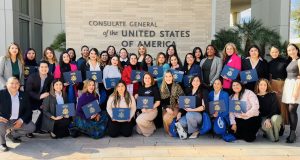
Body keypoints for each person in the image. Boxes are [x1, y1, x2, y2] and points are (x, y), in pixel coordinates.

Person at [0, 77, 35, 152]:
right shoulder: (1, 94)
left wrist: (21, 120)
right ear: (7, 84)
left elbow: (29, 110)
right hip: (4, 120)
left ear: (19, 85)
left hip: (17, 120)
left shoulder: (24, 95)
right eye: (12, 83)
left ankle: (12, 135)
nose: (14, 85)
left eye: (16, 83)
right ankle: (2, 143)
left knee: (32, 127)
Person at [25, 61, 54, 135]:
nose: (44, 69)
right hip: (30, 99)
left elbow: (49, 91)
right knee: (30, 113)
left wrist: (44, 102)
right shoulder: (32, 76)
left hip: (42, 100)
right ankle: (29, 131)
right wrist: (39, 96)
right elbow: (28, 91)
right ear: (38, 68)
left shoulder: (50, 77)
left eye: (46, 67)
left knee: (42, 110)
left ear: (48, 68)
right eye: (42, 67)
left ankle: (37, 129)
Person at [282, 43, 300, 143]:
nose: (291, 52)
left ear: (297, 50)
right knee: (289, 110)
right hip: (288, 85)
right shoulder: (290, 61)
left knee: (292, 110)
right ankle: (292, 131)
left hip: (296, 86)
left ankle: (292, 133)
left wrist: (296, 91)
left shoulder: (299, 61)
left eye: (293, 49)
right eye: (289, 50)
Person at [268, 46, 289, 126]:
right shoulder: (269, 63)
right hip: (272, 84)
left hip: (283, 84)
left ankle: (282, 124)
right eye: (272, 52)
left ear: (279, 52)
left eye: (276, 51)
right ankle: (274, 124)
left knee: (282, 105)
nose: (274, 53)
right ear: (270, 53)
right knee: (274, 104)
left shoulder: (285, 61)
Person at [160, 70, 184, 135]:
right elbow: (161, 101)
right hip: (166, 107)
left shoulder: (177, 86)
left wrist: (180, 111)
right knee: (166, 118)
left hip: (176, 106)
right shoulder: (162, 87)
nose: (168, 78)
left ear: (172, 77)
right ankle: (169, 131)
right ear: (164, 78)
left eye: (170, 76)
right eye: (166, 76)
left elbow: (183, 98)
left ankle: (173, 130)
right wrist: (167, 108)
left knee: (169, 118)